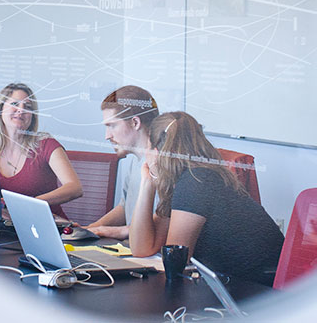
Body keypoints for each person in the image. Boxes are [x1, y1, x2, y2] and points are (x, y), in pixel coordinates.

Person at [129, 111, 284, 286]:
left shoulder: (196, 182)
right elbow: (142, 248)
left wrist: (151, 175)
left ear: (156, 152)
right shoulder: (188, 179)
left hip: (255, 289)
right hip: (238, 283)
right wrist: (147, 182)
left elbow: (175, 264)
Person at [0, 83, 82, 217]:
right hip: (3, 225)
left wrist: (31, 204)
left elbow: (75, 188)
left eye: (27, 107)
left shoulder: (46, 145)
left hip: (43, 224)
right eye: (15, 104)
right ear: (1, 109)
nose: (21, 110)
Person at [85, 85, 159, 239]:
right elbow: (124, 207)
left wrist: (114, 231)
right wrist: (91, 229)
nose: (107, 136)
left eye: (111, 126)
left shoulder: (159, 165)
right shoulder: (135, 161)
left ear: (135, 123)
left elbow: (160, 223)